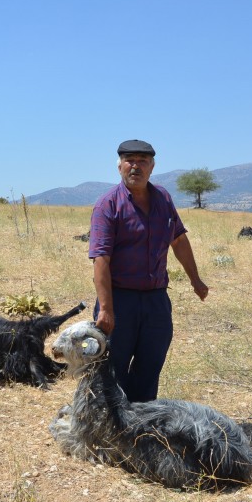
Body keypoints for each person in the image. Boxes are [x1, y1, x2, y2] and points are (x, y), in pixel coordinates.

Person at [89, 140, 209, 403]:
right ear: (119, 165)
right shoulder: (107, 205)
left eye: (143, 161)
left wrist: (195, 280)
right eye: (130, 160)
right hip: (120, 300)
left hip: (156, 300)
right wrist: (106, 309)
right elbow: (100, 260)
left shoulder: (163, 199)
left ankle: (140, 430)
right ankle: (110, 430)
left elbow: (178, 240)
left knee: (150, 366)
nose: (136, 166)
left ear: (152, 166)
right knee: (112, 370)